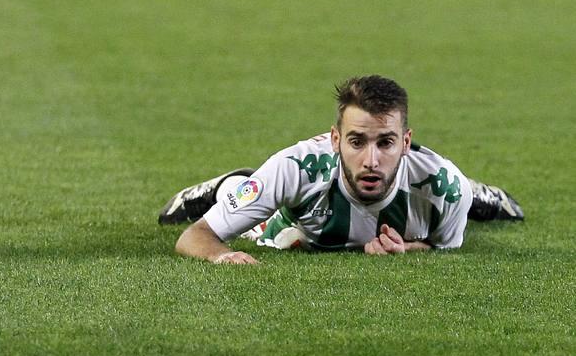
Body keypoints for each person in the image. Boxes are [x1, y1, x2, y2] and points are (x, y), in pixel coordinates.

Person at [158, 75, 524, 265]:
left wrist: (410, 248)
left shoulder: (446, 187)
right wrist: (222, 256)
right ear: (335, 140)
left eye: (386, 142)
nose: (371, 160)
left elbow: (443, 248)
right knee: (263, 228)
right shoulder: (297, 167)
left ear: (406, 142)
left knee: (459, 196)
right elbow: (195, 236)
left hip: (442, 191)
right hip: (295, 222)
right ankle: (227, 184)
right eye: (356, 142)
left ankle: (482, 195)